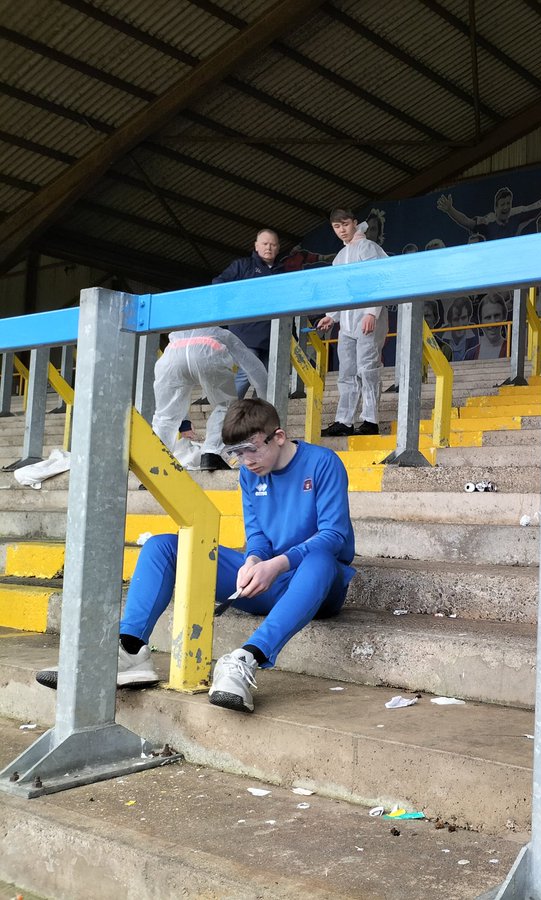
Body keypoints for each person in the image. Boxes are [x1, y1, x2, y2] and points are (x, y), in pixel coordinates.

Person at [36, 399, 356, 713]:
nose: (246, 461)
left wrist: (278, 563)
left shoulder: (322, 463)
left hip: (317, 582)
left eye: (252, 449)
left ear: (279, 437)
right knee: (163, 546)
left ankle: (246, 659)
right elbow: (257, 535)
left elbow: (333, 536)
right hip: (266, 579)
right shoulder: (251, 473)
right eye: (236, 453)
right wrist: (254, 560)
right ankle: (130, 648)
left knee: (321, 560)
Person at [152, 326, 268, 471]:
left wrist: (184, 421)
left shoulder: (176, 332)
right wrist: (266, 401)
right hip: (207, 353)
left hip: (171, 355)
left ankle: (154, 465)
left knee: (165, 416)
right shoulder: (220, 332)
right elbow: (253, 367)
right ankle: (211, 454)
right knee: (225, 406)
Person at [318, 209, 389, 437]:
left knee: (367, 369)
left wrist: (372, 312)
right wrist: (332, 316)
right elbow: (341, 292)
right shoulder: (339, 257)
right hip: (347, 322)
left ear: (354, 223)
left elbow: (379, 279)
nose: (341, 230)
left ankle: (370, 419)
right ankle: (344, 420)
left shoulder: (368, 248)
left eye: (345, 224)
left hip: (366, 318)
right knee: (346, 372)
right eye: (336, 227)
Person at [211, 229, 284, 399]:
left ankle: (260, 418)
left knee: (268, 380)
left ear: (278, 248)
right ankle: (226, 413)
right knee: (246, 374)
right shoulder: (242, 266)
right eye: (265, 244)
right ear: (256, 246)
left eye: (273, 244)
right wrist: (237, 303)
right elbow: (218, 284)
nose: (269, 248)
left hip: (273, 334)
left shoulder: (282, 272)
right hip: (245, 333)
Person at [435, 179, 541, 241]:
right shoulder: (487, 222)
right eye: (502, 204)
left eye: (508, 203)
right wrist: (450, 210)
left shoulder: (519, 213)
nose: (506, 207)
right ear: (496, 207)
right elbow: (467, 222)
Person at [476, 293, 509, 360]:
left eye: (497, 316)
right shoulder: (470, 354)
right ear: (480, 322)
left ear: (504, 318)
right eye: (488, 318)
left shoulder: (513, 350)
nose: (493, 322)